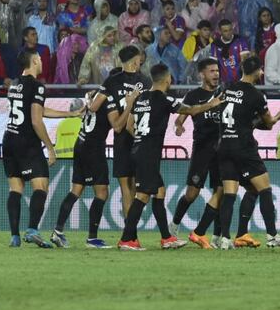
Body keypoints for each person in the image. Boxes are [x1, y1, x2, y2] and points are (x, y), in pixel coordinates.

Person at [118, 62, 222, 250]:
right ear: (167, 79)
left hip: (138, 150)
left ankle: (167, 238)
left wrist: (142, 139)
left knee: (159, 192)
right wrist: (211, 104)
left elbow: (128, 126)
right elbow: (190, 110)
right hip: (148, 154)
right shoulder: (164, 99)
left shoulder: (140, 98)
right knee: (142, 196)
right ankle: (127, 239)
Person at [196, 55, 280, 251]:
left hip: (224, 146)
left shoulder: (226, 88)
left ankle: (225, 239)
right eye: (261, 70)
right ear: (256, 72)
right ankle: (272, 235)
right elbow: (268, 122)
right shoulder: (256, 95)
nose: (262, 73)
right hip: (244, 147)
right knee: (264, 189)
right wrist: (279, 116)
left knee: (229, 194)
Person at [2, 49, 81, 248]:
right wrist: (49, 147)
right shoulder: (37, 86)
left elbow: (36, 109)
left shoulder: (14, 84)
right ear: (35, 61)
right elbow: (36, 120)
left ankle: (14, 236)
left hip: (9, 139)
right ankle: (32, 230)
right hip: (26, 142)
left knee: (16, 188)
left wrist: (69, 114)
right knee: (41, 185)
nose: (42, 61)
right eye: (39, 58)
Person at [51, 81, 141, 249]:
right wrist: (129, 105)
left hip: (81, 142)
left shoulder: (96, 96)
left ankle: (58, 231)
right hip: (93, 148)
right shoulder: (109, 99)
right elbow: (117, 126)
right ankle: (92, 238)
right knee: (102, 193)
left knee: (76, 190)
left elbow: (91, 105)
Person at [88, 45, 150, 218]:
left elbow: (94, 107)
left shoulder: (111, 81)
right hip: (139, 138)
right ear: (136, 61)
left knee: (125, 188)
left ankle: (128, 230)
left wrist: (89, 99)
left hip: (121, 139)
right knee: (139, 187)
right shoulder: (146, 82)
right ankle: (131, 228)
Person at [170, 58, 224, 246]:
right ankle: (174, 225)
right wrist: (179, 127)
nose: (216, 74)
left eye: (217, 71)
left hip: (222, 151)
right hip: (202, 149)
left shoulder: (224, 94)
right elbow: (179, 119)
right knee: (191, 194)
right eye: (212, 71)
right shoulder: (193, 96)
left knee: (221, 192)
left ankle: (217, 237)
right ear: (202, 74)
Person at [210, 18, 251, 83]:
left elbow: (245, 61)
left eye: (230, 30)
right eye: (225, 31)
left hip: (240, 81)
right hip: (224, 83)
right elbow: (213, 65)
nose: (229, 33)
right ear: (220, 32)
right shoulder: (215, 45)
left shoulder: (240, 41)